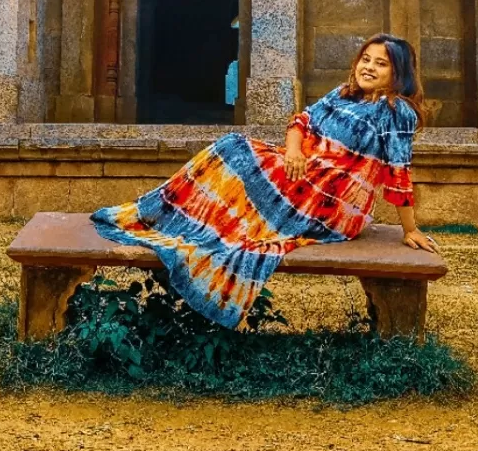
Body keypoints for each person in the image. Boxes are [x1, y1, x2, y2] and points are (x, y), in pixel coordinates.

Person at [91, 33, 438, 330]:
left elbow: (398, 173)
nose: (369, 67)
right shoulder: (342, 94)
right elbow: (300, 121)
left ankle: (159, 213)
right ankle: (161, 213)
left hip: (331, 206)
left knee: (234, 149)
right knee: (231, 147)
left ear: (399, 74)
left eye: (381, 64)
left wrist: (409, 229)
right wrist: (293, 152)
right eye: (366, 59)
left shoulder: (396, 111)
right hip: (300, 175)